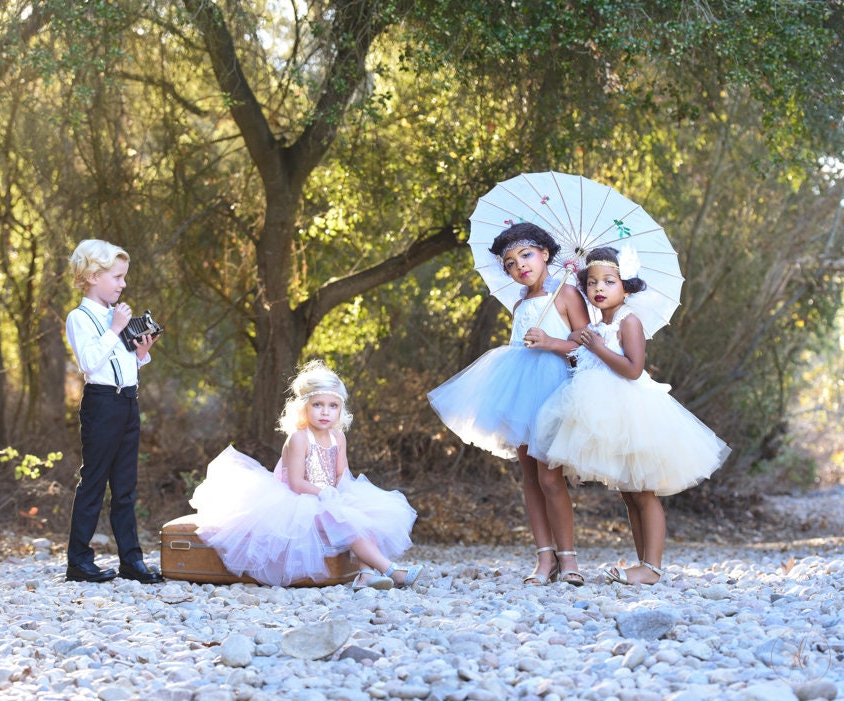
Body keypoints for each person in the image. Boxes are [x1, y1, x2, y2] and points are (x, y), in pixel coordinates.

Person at [531, 246, 730, 585]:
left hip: (633, 411)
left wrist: (598, 348)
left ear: (626, 286)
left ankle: (652, 567)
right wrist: (566, 345)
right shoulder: (598, 325)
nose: (599, 289)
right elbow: (587, 362)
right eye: (592, 283)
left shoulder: (629, 321)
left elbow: (633, 369)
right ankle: (642, 564)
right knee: (629, 491)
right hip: (607, 410)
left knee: (644, 490)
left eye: (609, 281)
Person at [428, 223, 591, 586]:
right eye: (510, 263)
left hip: (554, 388)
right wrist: (534, 341)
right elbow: (520, 345)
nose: (520, 266)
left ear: (546, 254)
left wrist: (551, 341)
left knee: (550, 477)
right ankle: (543, 558)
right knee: (530, 476)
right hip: (519, 388)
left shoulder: (567, 294)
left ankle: (569, 559)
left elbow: (588, 347)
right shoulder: (519, 303)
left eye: (526, 255)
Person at [190, 360, 422, 591]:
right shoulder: (299, 438)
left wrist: (343, 493)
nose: (325, 412)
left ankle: (365, 574)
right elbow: (296, 482)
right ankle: (392, 571)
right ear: (304, 407)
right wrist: (325, 494)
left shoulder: (338, 437)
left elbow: (341, 472)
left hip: (327, 495)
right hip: (298, 498)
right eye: (317, 405)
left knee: (362, 514)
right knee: (345, 519)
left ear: (341, 409)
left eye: (333, 406)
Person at [63, 239, 163, 584]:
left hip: (126, 401)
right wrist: (115, 330)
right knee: (94, 481)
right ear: (92, 276)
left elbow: (120, 364)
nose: (123, 284)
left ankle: (131, 559)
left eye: (124, 277)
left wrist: (140, 353)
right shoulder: (81, 318)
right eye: (117, 277)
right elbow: (89, 363)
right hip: (102, 404)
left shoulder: (112, 316)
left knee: (125, 485)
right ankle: (78, 560)